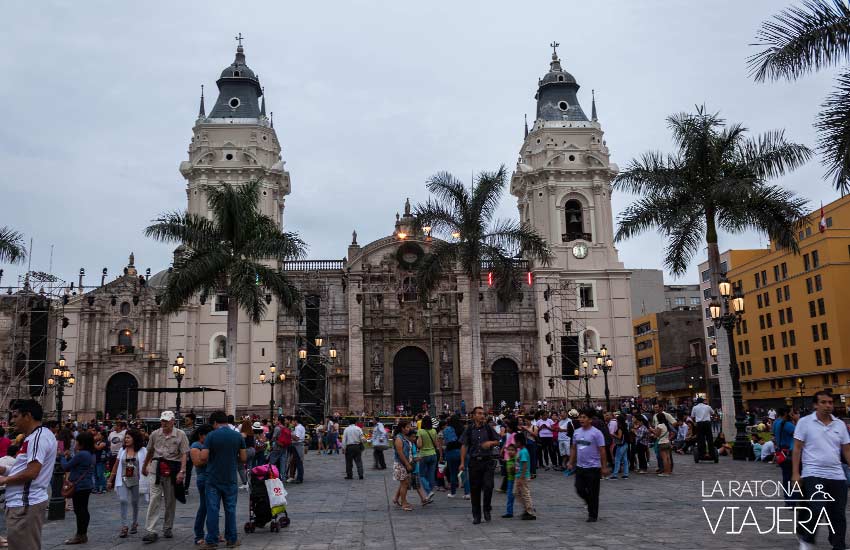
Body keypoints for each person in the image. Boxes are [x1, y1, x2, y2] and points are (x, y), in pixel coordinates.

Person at [793, 391, 850, 550]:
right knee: (817, 507)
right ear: (815, 405)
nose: (828, 406)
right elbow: (797, 448)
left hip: (837, 474)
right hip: (813, 472)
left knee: (838, 514)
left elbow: (846, 450)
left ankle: (838, 545)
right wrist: (795, 473)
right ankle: (807, 538)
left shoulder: (839, 425)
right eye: (824, 402)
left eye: (830, 402)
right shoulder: (805, 422)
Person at [0, 400, 57, 550]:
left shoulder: (38, 438)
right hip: (22, 504)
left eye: (15, 416)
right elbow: (25, 468)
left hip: (25, 504)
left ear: (28, 416)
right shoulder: (34, 437)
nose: (12, 421)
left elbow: (32, 472)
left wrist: (5, 479)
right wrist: (3, 470)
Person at [199, 411, 247, 549]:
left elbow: (203, 457)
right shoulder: (237, 436)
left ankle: (212, 540)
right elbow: (243, 458)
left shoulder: (211, 436)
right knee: (230, 510)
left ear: (215, 423)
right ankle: (231, 539)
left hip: (213, 478)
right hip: (230, 478)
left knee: (213, 509)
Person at [141, 410, 189, 543]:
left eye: (167, 421)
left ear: (173, 421)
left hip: (173, 468)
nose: (164, 423)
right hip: (156, 468)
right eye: (162, 421)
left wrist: (182, 471)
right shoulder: (155, 434)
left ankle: (167, 527)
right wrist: (145, 466)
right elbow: (150, 451)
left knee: (170, 500)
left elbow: (185, 453)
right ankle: (151, 530)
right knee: (154, 498)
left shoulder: (180, 434)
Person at [459, 406, 500, 525]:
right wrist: (462, 462)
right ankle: (476, 515)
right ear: (473, 415)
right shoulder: (469, 429)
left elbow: (498, 440)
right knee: (475, 489)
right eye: (479, 413)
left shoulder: (488, 428)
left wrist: (490, 443)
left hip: (487, 461)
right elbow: (464, 445)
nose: (482, 416)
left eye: (483, 414)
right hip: (474, 462)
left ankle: (487, 508)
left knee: (488, 486)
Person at [567, 408, 609, 522]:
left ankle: (593, 515)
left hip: (593, 467)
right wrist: (570, 462)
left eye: (584, 417)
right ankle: (589, 501)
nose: (581, 419)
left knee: (593, 492)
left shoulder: (596, 433)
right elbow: (574, 448)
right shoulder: (577, 432)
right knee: (579, 488)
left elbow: (602, 450)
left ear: (590, 420)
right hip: (580, 467)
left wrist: (604, 467)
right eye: (580, 417)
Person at [107, 429, 147, 538]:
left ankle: (134, 522)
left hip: (137, 480)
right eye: (125, 437)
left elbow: (148, 463)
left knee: (135, 502)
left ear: (135, 438)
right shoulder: (122, 450)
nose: (126, 439)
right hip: (123, 479)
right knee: (123, 500)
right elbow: (116, 465)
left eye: (128, 437)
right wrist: (110, 479)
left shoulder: (143, 450)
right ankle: (124, 526)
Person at [61, 431, 96, 544]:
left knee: (79, 511)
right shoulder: (91, 454)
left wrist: (62, 456)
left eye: (76, 441)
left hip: (79, 486)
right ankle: (82, 534)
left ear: (81, 443)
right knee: (83, 510)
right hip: (87, 485)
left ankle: (80, 535)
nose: (75, 443)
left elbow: (66, 467)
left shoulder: (81, 454)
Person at [189, 424, 212, 545]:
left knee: (212, 507)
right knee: (204, 507)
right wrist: (211, 457)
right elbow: (197, 462)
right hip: (203, 479)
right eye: (207, 436)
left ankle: (213, 533)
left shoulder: (207, 445)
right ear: (200, 435)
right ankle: (199, 534)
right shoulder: (196, 445)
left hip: (213, 478)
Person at [442, 414, 470, 499]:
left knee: (453, 473)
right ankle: (467, 493)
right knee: (464, 473)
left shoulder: (447, 429)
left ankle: (453, 493)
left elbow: (446, 442)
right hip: (463, 452)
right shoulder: (464, 429)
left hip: (451, 453)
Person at [772, 407, 797, 503]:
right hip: (789, 452)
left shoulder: (776, 423)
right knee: (793, 476)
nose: (792, 414)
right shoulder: (787, 424)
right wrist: (796, 420)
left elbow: (774, 436)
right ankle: (793, 500)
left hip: (780, 453)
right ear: (786, 413)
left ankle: (788, 499)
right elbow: (799, 435)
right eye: (791, 412)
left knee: (786, 477)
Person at [391, 420, 415, 512]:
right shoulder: (398, 438)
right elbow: (400, 453)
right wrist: (407, 464)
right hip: (401, 464)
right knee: (404, 484)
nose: (409, 428)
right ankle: (404, 503)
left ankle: (401, 500)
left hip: (404, 463)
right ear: (402, 428)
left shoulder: (404, 437)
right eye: (407, 427)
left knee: (404, 483)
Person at [513, 433, 535, 520]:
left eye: (516, 442)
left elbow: (525, 465)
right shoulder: (521, 451)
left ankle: (529, 511)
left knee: (525, 493)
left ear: (519, 442)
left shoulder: (524, 452)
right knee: (516, 492)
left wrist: (521, 478)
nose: (514, 443)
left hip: (523, 477)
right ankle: (527, 507)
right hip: (519, 476)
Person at [416, 416, 439, 497]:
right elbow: (436, 444)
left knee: (421, 475)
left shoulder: (420, 431)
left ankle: (428, 491)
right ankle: (430, 489)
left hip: (424, 455)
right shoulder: (434, 431)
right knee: (431, 474)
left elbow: (419, 445)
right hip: (433, 454)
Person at [267, 416, 292, 481]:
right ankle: (283, 477)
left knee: (272, 462)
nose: (275, 421)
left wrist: (270, 443)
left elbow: (274, 437)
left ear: (279, 421)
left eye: (276, 420)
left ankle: (271, 476)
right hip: (284, 447)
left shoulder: (277, 428)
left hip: (277, 448)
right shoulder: (285, 428)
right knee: (283, 463)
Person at [609, 414, 630, 479]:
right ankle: (626, 474)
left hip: (621, 445)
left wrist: (613, 434)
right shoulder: (625, 426)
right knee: (625, 459)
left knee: (617, 459)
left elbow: (619, 437)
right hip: (626, 444)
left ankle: (615, 474)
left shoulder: (620, 428)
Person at [653, 412, 673, 476]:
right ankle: (669, 471)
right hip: (667, 442)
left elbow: (657, 435)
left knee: (664, 459)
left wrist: (652, 430)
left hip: (662, 442)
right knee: (668, 458)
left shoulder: (660, 425)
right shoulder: (666, 425)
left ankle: (665, 472)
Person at [288, 416, 305, 483]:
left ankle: (299, 478)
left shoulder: (298, 428)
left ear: (295, 421)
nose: (292, 423)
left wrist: (290, 434)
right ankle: (299, 477)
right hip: (299, 445)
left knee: (298, 463)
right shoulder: (301, 427)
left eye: (292, 421)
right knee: (297, 462)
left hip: (297, 445)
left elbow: (297, 438)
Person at [501, 444, 517, 518]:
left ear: (516, 452)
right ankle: (509, 512)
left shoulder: (516, 460)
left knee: (522, 496)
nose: (510, 451)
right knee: (510, 496)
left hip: (516, 481)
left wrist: (514, 469)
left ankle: (530, 509)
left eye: (512, 450)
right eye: (509, 450)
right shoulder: (508, 460)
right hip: (510, 481)